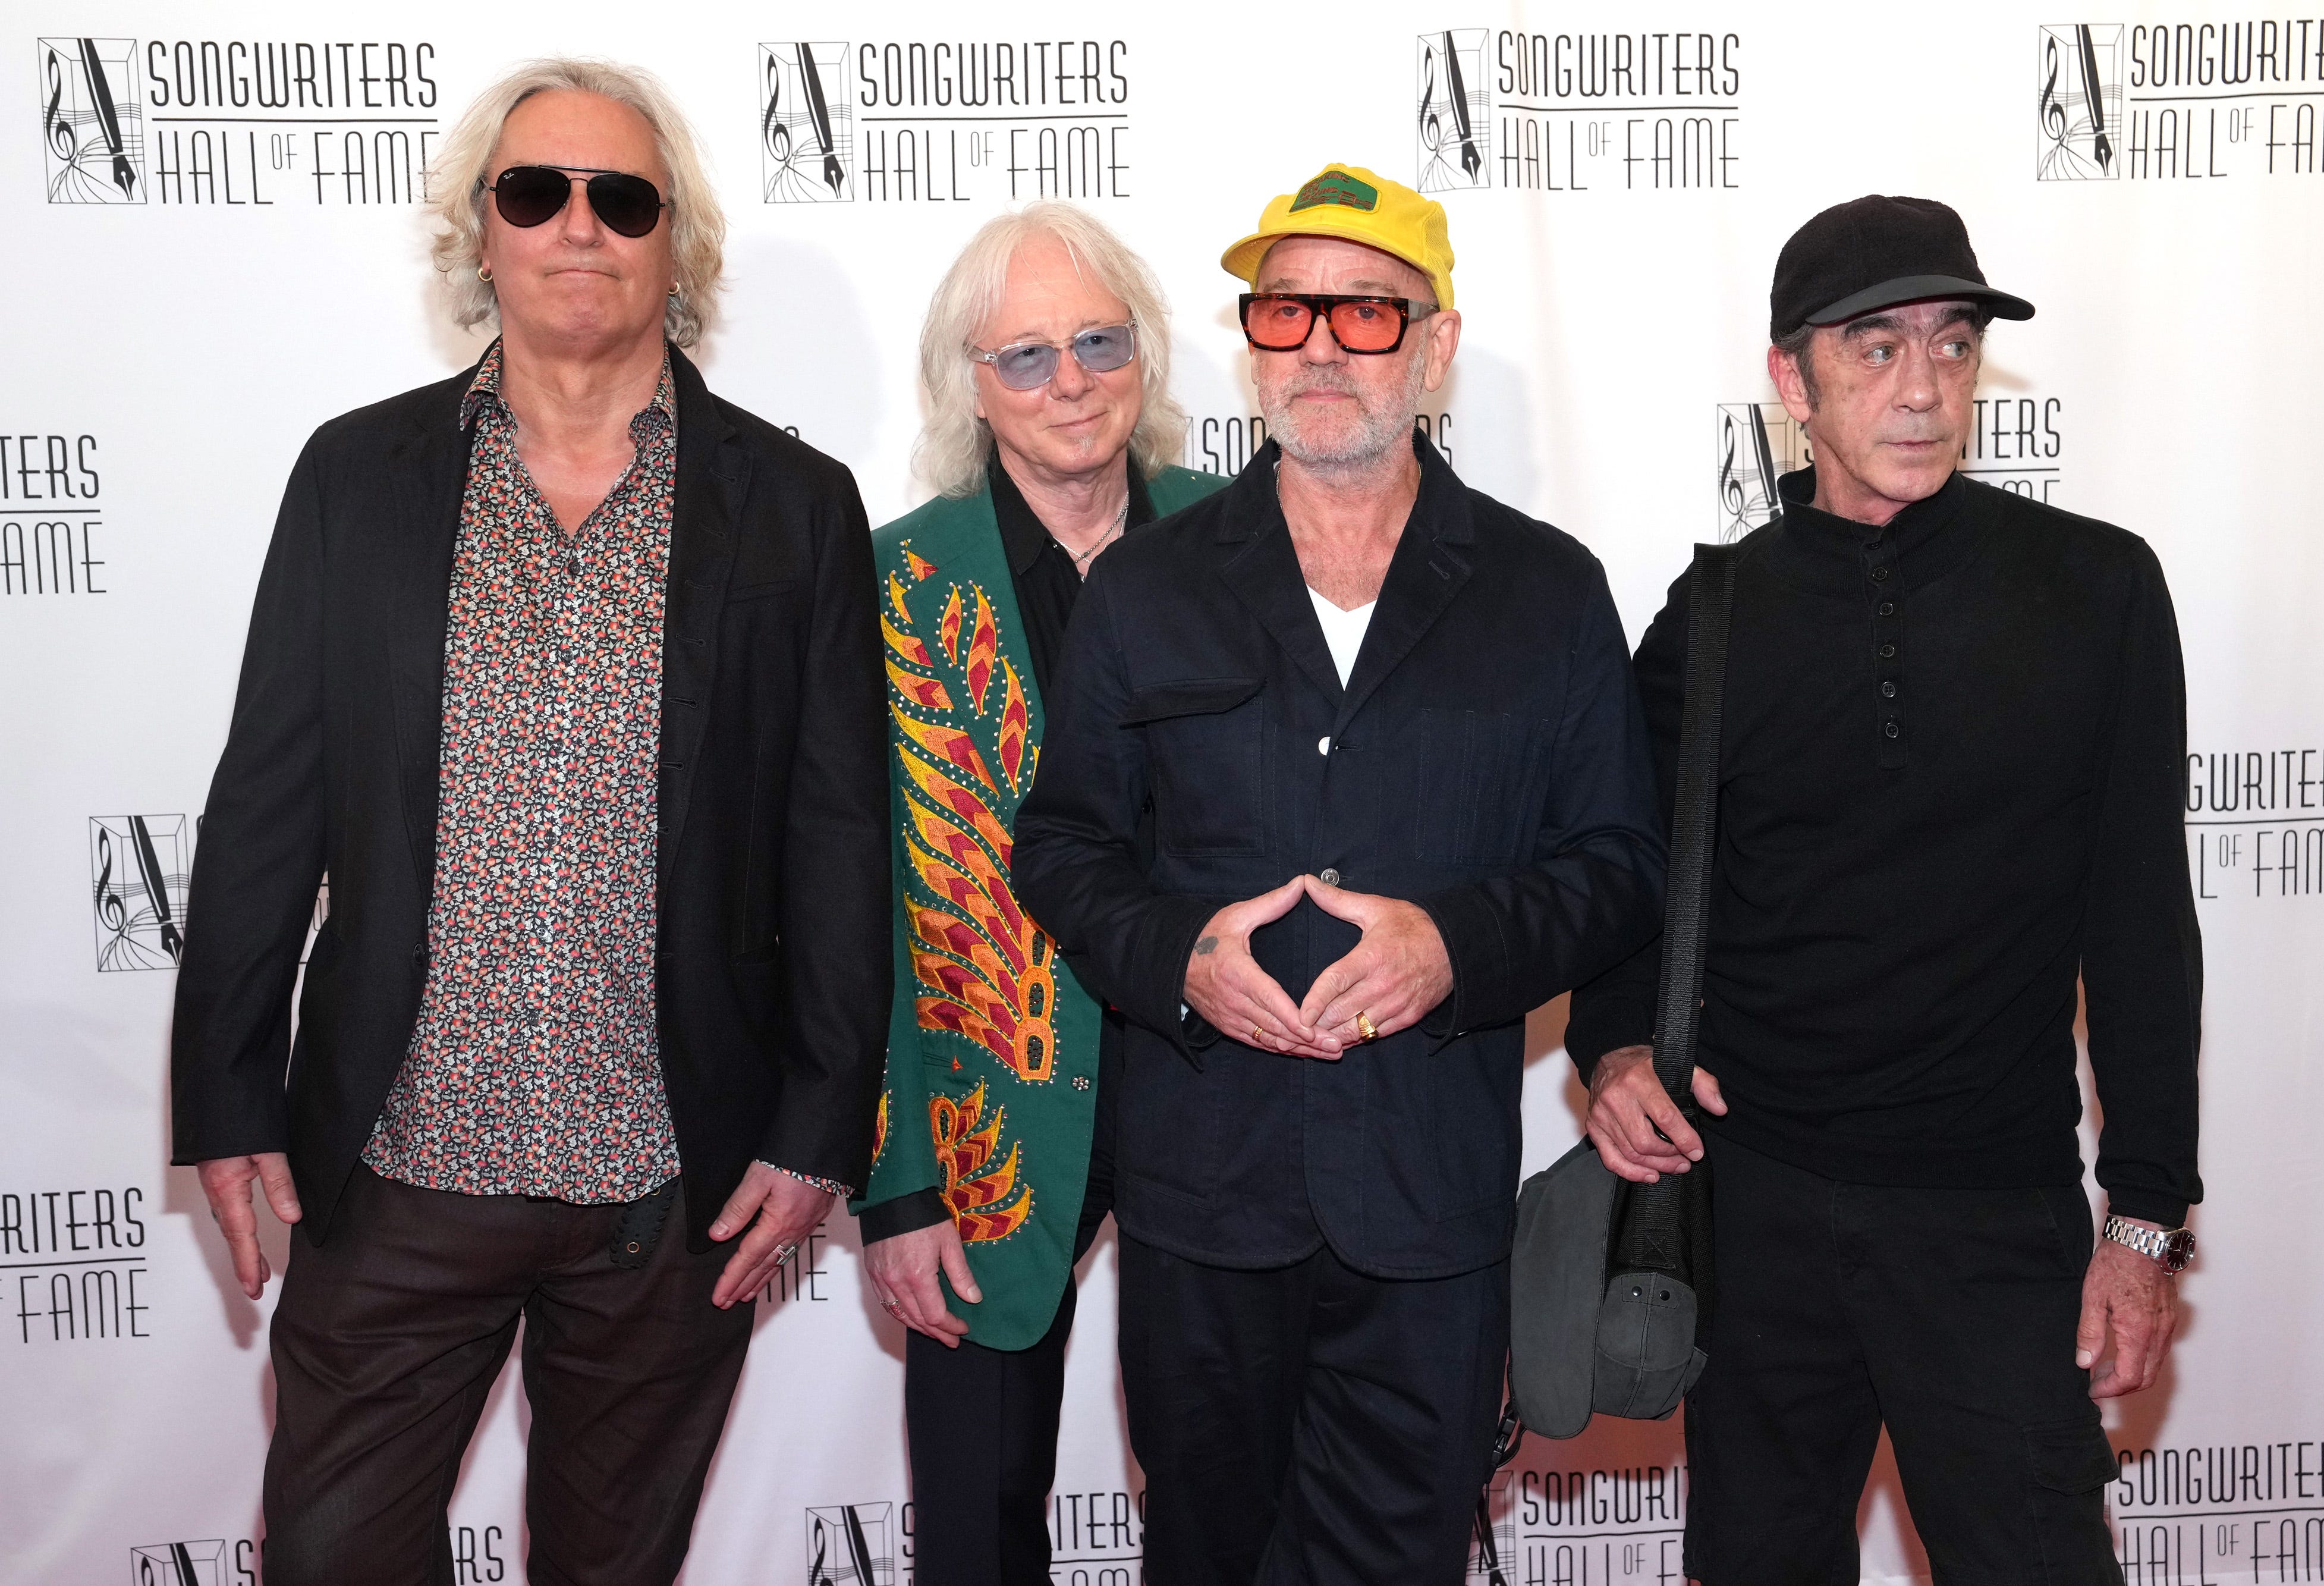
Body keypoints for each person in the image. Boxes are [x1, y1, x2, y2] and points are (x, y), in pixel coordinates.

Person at [167, 59, 889, 1586]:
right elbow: (264, 799)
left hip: (667, 1182)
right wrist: (225, 1093)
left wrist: (823, 1122)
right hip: (396, 1161)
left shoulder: (795, 503)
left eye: (622, 198)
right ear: (478, 234)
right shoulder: (354, 475)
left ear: (673, 244)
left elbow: (837, 833)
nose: (579, 227)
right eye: (534, 191)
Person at [1010, 162, 1666, 1584]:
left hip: (1425, 1211)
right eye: (1284, 310)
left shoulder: (1545, 591)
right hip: (1200, 1204)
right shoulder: (1147, 583)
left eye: (1365, 313)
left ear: (1432, 346)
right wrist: (1177, 951)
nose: (1316, 344)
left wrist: (1457, 945)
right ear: (1248, 339)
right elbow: (1061, 845)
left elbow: (1618, 865)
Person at [1569, 194, 2202, 1585]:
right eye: (1874, 348)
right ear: (1790, 379)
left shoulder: (2093, 590)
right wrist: (1609, 1040)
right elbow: (1628, 873)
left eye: (1953, 342)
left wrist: (2144, 1217)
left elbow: (2142, 920)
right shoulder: (1712, 612)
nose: (1922, 388)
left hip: (1990, 1214)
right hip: (1757, 1211)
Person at [851, 202, 1228, 1584]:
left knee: (1221, 1487)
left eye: (1095, 340)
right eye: (1025, 355)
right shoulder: (891, 579)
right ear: (970, 381)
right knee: (975, 1515)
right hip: (978, 1121)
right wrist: (895, 1184)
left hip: (1223, 1088)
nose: (1068, 380)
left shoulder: (1242, 539)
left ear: (1143, 354)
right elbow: (861, 907)